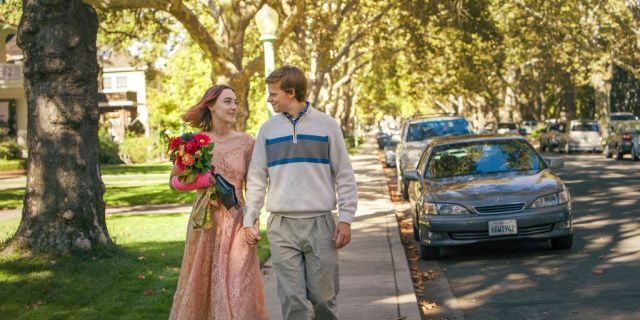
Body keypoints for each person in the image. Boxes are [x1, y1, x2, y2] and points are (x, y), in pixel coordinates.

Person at [243, 65, 358, 320]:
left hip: (320, 224)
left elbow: (344, 174)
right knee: (293, 300)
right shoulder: (267, 130)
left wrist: (346, 218)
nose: (269, 99)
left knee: (323, 300)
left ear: (291, 93)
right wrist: (250, 218)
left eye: (273, 94)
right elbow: (257, 178)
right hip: (282, 226)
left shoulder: (327, 125)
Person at [168, 84, 268, 320]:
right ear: (211, 106)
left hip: (236, 221)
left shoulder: (246, 143)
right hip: (205, 223)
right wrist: (202, 181)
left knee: (238, 287)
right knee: (202, 286)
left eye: (235, 102)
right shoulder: (195, 143)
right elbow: (173, 182)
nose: (234, 107)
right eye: (227, 101)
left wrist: (252, 221)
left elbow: (254, 187)